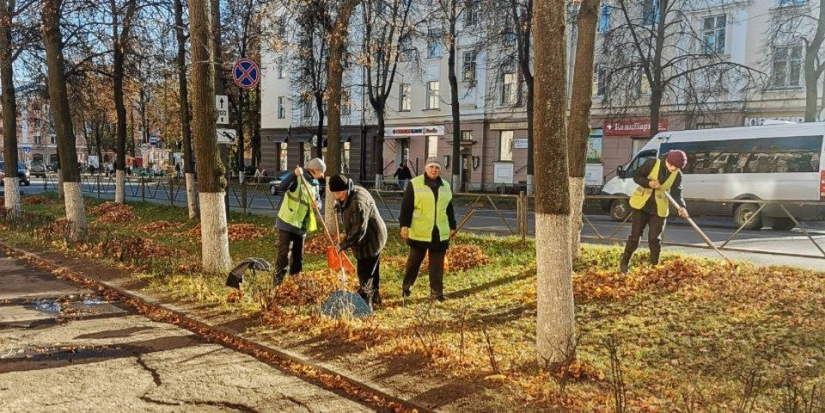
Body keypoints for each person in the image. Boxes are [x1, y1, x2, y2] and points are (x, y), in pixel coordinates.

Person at [620, 150, 689, 273]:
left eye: (677, 167)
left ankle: (654, 268)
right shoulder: (652, 163)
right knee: (635, 237)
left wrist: (682, 207)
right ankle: (624, 263)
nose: (673, 169)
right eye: (671, 165)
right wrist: (648, 183)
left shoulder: (677, 175)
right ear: (667, 159)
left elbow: (677, 193)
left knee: (654, 239)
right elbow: (636, 176)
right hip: (641, 205)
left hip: (659, 208)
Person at [399, 157, 457, 301]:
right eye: (431, 167)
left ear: (440, 170)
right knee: (413, 263)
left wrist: (452, 226)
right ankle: (407, 287)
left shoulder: (445, 185)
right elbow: (406, 207)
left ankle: (437, 293)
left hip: (439, 233)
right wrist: (404, 226)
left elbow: (449, 208)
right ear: (426, 168)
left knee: (437, 266)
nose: (434, 170)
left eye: (437, 168)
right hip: (420, 232)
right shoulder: (415, 183)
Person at [328, 174, 387, 308]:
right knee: (371, 269)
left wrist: (342, 245)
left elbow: (358, 232)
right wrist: (340, 205)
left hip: (371, 239)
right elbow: (344, 202)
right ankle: (375, 296)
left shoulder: (358, 202)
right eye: (334, 193)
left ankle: (367, 304)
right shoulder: (349, 193)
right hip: (368, 237)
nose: (337, 196)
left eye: (339, 192)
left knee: (365, 272)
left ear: (346, 188)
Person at [273, 157, 326, 285]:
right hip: (287, 221)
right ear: (315, 170)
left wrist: (317, 204)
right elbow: (282, 187)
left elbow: (318, 200)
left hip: (301, 224)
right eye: (322, 172)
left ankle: (294, 285)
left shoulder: (315, 183)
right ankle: (277, 284)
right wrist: (293, 174)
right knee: (284, 255)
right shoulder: (298, 177)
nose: (323, 175)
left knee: (298, 258)